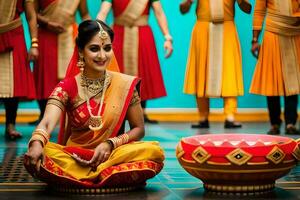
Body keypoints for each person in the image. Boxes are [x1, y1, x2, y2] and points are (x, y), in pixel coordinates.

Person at [24, 20, 164, 191]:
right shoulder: (67, 87)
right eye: (94, 48)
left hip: (113, 154)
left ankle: (85, 177)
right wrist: (36, 143)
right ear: (81, 51)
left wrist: (110, 144)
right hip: (75, 157)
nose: (102, 56)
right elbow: (47, 122)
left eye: (107, 48)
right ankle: (107, 176)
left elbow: (139, 129)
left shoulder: (125, 84)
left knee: (152, 152)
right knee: (46, 155)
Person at [97, 0, 173, 124]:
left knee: (143, 71)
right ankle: (118, 111)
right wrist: (99, 31)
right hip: (119, 34)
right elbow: (103, 12)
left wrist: (167, 37)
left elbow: (159, 13)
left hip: (142, 34)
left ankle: (141, 112)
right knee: (117, 73)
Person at [180, 0, 251, 129]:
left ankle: (230, 117)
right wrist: (188, 2)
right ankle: (203, 117)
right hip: (203, 30)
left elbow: (248, 9)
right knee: (201, 73)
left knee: (229, 73)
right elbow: (183, 10)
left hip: (227, 29)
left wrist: (241, 2)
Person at [29, 0, 90, 125]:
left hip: (69, 36)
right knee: (45, 76)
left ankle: (69, 117)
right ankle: (44, 115)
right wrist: (47, 23)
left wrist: (90, 31)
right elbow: (32, 14)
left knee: (71, 78)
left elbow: (85, 14)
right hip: (46, 35)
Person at [250, 0, 300, 135]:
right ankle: (275, 124)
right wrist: (255, 40)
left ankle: (291, 123)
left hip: (293, 33)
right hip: (272, 34)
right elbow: (259, 11)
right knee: (271, 81)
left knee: (292, 82)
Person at [0, 0, 38, 139]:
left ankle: (11, 125)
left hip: (13, 34)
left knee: (13, 82)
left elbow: (31, 15)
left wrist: (34, 44)